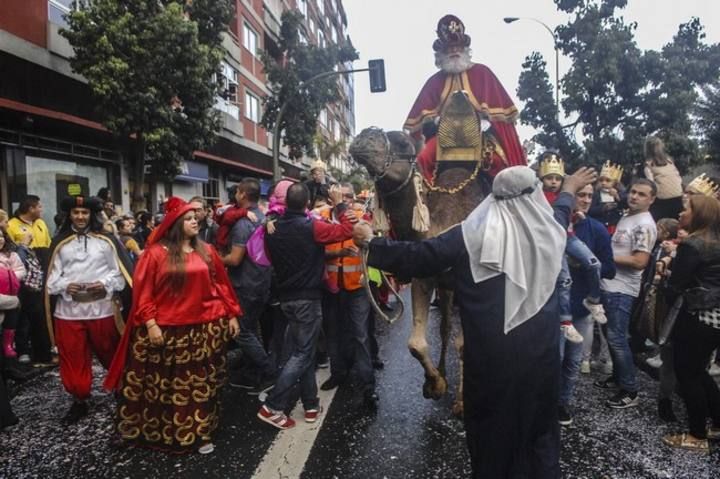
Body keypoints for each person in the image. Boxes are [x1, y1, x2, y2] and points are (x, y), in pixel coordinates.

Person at [354, 165, 597, 478]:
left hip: (490, 363)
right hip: (541, 361)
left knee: (491, 438)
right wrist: (569, 186)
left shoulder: (469, 235)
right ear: (535, 195)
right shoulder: (551, 228)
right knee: (539, 435)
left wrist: (371, 245)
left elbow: (420, 256)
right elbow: (562, 208)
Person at [104, 197, 241, 454]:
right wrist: (151, 323)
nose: (195, 222)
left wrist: (231, 314)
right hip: (166, 329)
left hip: (204, 328)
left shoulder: (207, 250)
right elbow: (143, 291)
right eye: (188, 219)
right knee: (160, 386)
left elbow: (221, 284)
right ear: (176, 224)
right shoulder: (155, 254)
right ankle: (152, 431)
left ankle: (199, 433)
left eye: (195, 218)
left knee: (200, 386)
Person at [257, 183, 356, 430]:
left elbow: (270, 257)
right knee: (302, 354)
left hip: (286, 299)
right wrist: (340, 204)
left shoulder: (272, 228)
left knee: (306, 352)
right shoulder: (312, 227)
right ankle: (273, 405)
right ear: (307, 204)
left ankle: (311, 405)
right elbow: (347, 228)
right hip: (307, 301)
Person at [45, 196, 133, 423]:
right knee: (73, 359)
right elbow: (50, 280)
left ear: (91, 215)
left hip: (102, 309)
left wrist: (104, 283)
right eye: (76, 213)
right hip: (68, 312)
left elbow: (120, 274)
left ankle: (122, 391)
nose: (80, 217)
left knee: (111, 353)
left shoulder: (106, 240)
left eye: (84, 213)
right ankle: (79, 399)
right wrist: (66, 285)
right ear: (69, 216)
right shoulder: (60, 242)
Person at [404, 15, 525, 177]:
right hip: (444, 138)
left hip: (481, 135)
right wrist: (436, 122)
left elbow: (502, 115)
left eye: (458, 47)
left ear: (465, 49)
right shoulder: (433, 82)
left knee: (499, 165)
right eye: (449, 48)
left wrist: (486, 122)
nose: (454, 51)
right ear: (441, 53)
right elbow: (420, 123)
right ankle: (421, 201)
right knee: (422, 162)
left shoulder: (483, 73)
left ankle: (504, 201)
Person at [661, 195, 720, 451]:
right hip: (715, 319)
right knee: (700, 372)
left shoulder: (693, 244)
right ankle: (716, 424)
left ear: (699, 215)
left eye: (685, 209)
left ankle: (697, 435)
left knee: (687, 375)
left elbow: (676, 287)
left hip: (696, 316)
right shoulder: (715, 242)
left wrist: (665, 277)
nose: (680, 213)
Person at [595, 178, 657, 409]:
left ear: (651, 199)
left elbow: (640, 261)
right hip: (610, 285)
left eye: (642, 194)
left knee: (617, 338)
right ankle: (619, 378)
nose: (634, 197)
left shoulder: (644, 223)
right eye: (633, 192)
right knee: (611, 336)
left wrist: (604, 258)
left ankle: (630, 389)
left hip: (622, 289)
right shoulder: (628, 217)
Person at [558, 183, 616, 426]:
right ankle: (542, 404)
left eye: (590, 196)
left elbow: (609, 270)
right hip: (554, 308)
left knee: (572, 361)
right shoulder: (552, 222)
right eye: (580, 194)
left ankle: (562, 404)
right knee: (554, 358)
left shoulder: (596, 229)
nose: (585, 200)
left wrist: (581, 261)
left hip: (580, 307)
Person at [538, 153, 607, 345]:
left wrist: (576, 216)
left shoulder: (565, 196)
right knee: (565, 280)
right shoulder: (537, 196)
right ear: (542, 178)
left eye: (557, 179)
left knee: (594, 264)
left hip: (569, 237)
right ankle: (566, 320)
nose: (553, 182)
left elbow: (567, 215)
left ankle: (593, 300)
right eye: (549, 178)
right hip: (554, 241)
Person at [320, 184, 377, 405]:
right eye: (339, 196)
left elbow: (367, 236)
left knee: (360, 335)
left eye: (346, 197)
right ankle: (338, 372)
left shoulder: (361, 217)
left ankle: (367, 384)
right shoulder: (322, 217)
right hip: (332, 287)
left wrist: (343, 209)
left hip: (357, 288)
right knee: (333, 333)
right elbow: (317, 249)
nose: (344, 200)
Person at [222, 179, 274, 394]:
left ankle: (268, 370)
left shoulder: (243, 223)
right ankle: (251, 371)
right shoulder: (264, 217)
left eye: (237, 192)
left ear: (242, 194)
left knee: (242, 331)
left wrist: (214, 258)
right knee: (251, 328)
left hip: (245, 284)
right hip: (262, 281)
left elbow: (235, 259)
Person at [7, 196, 53, 366]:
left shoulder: (41, 223)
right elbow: (9, 250)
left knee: (41, 311)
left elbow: (48, 244)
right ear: (30, 208)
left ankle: (42, 350)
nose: (42, 209)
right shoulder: (12, 225)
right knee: (23, 313)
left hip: (41, 268)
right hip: (22, 271)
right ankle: (22, 350)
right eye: (39, 206)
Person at [643, 136, 683, 221]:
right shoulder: (670, 161)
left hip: (662, 201)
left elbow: (651, 184)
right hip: (678, 198)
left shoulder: (649, 165)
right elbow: (678, 177)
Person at [0, 230, 25, 358]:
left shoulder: (12, 255)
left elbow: (21, 270)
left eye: (1, 236)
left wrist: (10, 276)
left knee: (12, 317)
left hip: (11, 292)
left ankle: (8, 344)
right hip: (3, 296)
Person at [589, 161, 626, 235]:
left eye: (607, 180)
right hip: (598, 227)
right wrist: (603, 208)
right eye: (601, 180)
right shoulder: (596, 194)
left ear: (615, 183)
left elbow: (626, 205)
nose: (603, 183)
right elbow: (590, 210)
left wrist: (617, 197)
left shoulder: (620, 193)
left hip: (615, 228)